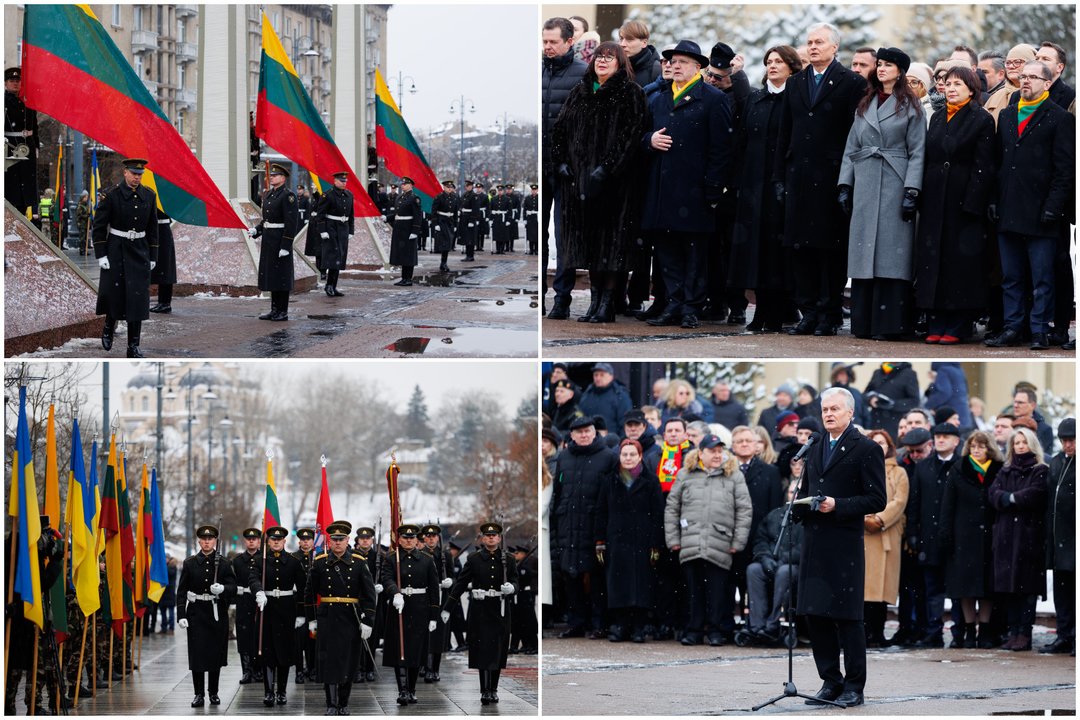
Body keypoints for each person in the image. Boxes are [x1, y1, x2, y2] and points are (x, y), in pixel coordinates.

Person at [795, 387, 886, 708]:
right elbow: (809, 488)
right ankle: (830, 681)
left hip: (845, 545)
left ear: (850, 412)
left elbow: (877, 499)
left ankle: (854, 686)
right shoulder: (816, 444)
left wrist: (839, 505)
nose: (828, 414)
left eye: (835, 409)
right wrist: (800, 507)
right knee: (816, 615)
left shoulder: (866, 448)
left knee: (848, 618)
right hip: (815, 542)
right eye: (825, 410)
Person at [775, 23, 865, 337]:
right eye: (809, 42)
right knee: (800, 249)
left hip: (831, 177)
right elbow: (784, 131)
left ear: (834, 48)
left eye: (819, 42)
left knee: (830, 249)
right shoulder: (796, 82)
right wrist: (779, 176)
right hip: (798, 175)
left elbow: (856, 135)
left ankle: (829, 313)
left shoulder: (851, 82)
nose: (813, 47)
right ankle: (809, 311)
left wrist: (848, 180)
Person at [551, 41, 647, 323]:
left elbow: (631, 136)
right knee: (590, 245)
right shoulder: (579, 92)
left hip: (615, 185)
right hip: (580, 183)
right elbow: (560, 130)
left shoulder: (631, 92)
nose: (602, 61)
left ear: (620, 63)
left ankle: (607, 304)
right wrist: (561, 162)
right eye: (598, 57)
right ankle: (594, 302)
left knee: (612, 245)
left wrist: (607, 168)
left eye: (609, 57)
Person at [641, 40, 733, 329]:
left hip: (695, 190)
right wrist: (649, 141)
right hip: (663, 190)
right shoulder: (659, 98)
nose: (675, 66)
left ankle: (691, 307)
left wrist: (713, 187)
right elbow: (640, 136)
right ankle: (673, 303)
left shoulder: (714, 98)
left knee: (695, 254)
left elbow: (722, 148)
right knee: (667, 253)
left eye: (682, 62)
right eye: (672, 61)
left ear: (698, 67)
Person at [838, 47, 926, 339]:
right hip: (865, 181)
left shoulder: (911, 106)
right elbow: (852, 147)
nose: (881, 69)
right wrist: (845, 184)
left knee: (892, 255)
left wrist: (911, 189)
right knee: (864, 255)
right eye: (880, 65)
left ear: (900, 71)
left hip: (895, 180)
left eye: (888, 65)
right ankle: (864, 323)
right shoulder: (865, 103)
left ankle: (889, 325)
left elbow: (917, 151)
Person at [986, 60, 1075, 350]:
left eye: (1033, 77)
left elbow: (1064, 170)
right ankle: (1013, 327)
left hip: (1041, 212)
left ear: (1047, 83)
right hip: (1009, 210)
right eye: (1023, 77)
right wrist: (995, 201)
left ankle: (1039, 329)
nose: (1025, 81)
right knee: (1011, 277)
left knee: (1042, 278)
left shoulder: (1060, 118)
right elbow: (999, 165)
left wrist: (1053, 206)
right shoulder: (1009, 115)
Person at [913, 66, 995, 343]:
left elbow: (984, 165)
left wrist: (973, 202)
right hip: (936, 197)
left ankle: (958, 323)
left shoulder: (981, 119)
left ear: (971, 89)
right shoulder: (936, 117)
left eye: (958, 84)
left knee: (959, 265)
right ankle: (936, 320)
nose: (950, 88)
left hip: (963, 201)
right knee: (932, 260)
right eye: (947, 83)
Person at [730, 45, 801, 333]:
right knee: (754, 251)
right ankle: (760, 310)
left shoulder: (795, 100)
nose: (772, 66)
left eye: (779, 62)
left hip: (780, 183)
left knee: (775, 251)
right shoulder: (756, 100)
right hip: (752, 184)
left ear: (792, 68)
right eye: (769, 62)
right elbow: (743, 140)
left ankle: (776, 312)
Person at [665, 433, 752, 646]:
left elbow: (744, 509)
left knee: (717, 592)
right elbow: (672, 508)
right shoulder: (685, 474)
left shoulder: (733, 475)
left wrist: (738, 542)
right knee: (693, 591)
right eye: (712, 450)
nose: (717, 454)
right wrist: (673, 539)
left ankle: (715, 631)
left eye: (719, 450)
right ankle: (693, 630)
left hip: (720, 542)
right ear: (700, 452)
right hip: (690, 541)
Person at [550, 416, 615, 638]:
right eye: (579, 432)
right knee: (571, 576)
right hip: (568, 523)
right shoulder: (564, 457)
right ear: (572, 435)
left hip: (593, 524)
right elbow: (558, 492)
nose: (584, 435)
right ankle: (576, 622)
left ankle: (598, 623)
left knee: (595, 577)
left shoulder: (607, 457)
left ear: (594, 432)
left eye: (588, 431)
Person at [596, 438, 664, 643]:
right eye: (624, 454)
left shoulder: (651, 480)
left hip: (642, 540)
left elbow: (658, 514)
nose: (628, 458)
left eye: (632, 454)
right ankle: (619, 625)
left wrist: (656, 543)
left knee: (641, 584)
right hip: (616, 539)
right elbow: (601, 512)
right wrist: (599, 541)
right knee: (618, 583)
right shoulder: (610, 480)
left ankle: (639, 627)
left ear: (640, 456)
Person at [441, 522, 518, 705]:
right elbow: (460, 584)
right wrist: (447, 607)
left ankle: (494, 689)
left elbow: (516, 582)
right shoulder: (474, 559)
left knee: (498, 650)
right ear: (483, 538)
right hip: (481, 610)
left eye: (494, 535)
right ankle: (485, 690)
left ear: (499, 538)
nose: (491, 538)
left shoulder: (509, 559)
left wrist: (512, 588)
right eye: (487, 535)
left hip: (499, 609)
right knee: (483, 651)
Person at [939, 430, 1002, 649]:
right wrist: (946, 535)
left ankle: (984, 630)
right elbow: (948, 505)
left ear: (989, 448)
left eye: (981, 446)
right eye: (974, 446)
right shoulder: (959, 468)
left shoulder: (997, 470)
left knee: (986, 587)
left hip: (990, 537)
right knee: (965, 586)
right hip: (963, 536)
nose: (977, 450)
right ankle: (967, 630)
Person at [306, 520, 376, 715]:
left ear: (347, 541)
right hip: (327, 617)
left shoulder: (359, 562)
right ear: (330, 541)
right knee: (328, 661)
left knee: (347, 661)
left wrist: (367, 621)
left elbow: (370, 595)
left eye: (341, 539)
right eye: (334, 539)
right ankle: (331, 704)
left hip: (349, 618)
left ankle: (343, 703)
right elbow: (309, 593)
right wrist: (312, 619)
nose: (337, 543)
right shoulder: (320, 562)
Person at [542, 17, 588, 319]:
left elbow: (586, 126)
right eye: (544, 41)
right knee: (539, 239)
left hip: (566, 170)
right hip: (540, 166)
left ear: (570, 42)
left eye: (553, 42)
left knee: (564, 235)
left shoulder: (583, 74)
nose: (547, 47)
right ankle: (541, 295)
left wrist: (571, 161)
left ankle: (562, 299)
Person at [989, 427, 1049, 651]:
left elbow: (1035, 494)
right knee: (1009, 588)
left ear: (1031, 444)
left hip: (1028, 537)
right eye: (1016, 443)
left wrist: (1010, 498)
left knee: (1026, 589)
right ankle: (1013, 631)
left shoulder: (1040, 470)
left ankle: (1024, 633)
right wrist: (1009, 499)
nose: (1020, 446)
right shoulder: (1005, 471)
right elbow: (993, 494)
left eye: (1024, 442)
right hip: (1006, 537)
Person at [93, 158, 159, 358]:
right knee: (115, 295)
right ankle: (108, 326)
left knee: (137, 301)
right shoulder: (111, 196)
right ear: (125, 173)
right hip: (116, 249)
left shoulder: (148, 195)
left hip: (139, 251)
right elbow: (98, 227)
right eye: (133, 174)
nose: (136, 178)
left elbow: (153, 228)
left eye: (139, 174)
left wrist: (153, 255)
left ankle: (133, 346)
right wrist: (101, 254)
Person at [177, 525, 236, 707]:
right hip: (196, 612)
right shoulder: (190, 563)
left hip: (216, 612)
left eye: (210, 539)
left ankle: (213, 692)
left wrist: (223, 589)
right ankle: (198, 694)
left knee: (214, 655)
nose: (207, 541)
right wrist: (181, 614)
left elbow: (233, 588)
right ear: (199, 541)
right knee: (197, 655)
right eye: (204, 539)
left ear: (215, 541)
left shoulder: (224, 563)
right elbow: (181, 591)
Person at [381, 523, 440, 705]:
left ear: (417, 540)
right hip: (399, 608)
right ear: (399, 539)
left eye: (412, 538)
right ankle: (402, 690)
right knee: (399, 650)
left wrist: (433, 616)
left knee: (415, 651)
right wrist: (395, 592)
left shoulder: (426, 559)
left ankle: (412, 689)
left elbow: (433, 589)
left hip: (419, 609)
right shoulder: (391, 558)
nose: (408, 541)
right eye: (405, 538)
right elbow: (386, 578)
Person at [248, 526, 306, 707]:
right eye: (273, 539)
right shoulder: (260, 560)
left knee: (285, 653)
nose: (276, 541)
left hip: (287, 611)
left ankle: (281, 691)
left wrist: (302, 614)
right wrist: (258, 591)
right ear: (268, 541)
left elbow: (304, 588)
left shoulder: (294, 561)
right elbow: (253, 579)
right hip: (268, 609)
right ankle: (268, 692)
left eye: (279, 539)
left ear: (284, 541)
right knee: (267, 653)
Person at [862, 430, 909, 647]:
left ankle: (877, 633)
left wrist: (879, 519)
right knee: (863, 589)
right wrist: (864, 517)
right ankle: (863, 634)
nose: (878, 446)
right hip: (862, 536)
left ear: (889, 446)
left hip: (885, 534)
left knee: (881, 591)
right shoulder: (861, 468)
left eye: (882, 442)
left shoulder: (898, 472)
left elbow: (899, 502)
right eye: (873, 442)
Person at [745, 480, 803, 644]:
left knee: (785, 571)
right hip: (771, 562)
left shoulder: (807, 519)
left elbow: (805, 547)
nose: (794, 496)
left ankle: (773, 623)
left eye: (798, 492)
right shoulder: (775, 515)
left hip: (796, 568)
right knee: (754, 570)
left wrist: (785, 558)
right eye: (792, 492)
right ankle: (757, 625)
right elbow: (760, 540)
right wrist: (764, 558)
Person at [247, 163, 299, 321]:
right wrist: (257, 230)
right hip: (269, 241)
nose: (272, 178)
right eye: (272, 175)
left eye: (275, 176)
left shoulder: (288, 196)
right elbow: (267, 220)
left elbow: (291, 223)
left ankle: (283, 311)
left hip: (280, 240)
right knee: (273, 276)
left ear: (283, 178)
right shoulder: (269, 194)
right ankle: (274, 309)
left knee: (282, 277)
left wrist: (286, 245)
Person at [1042, 418, 1075, 654]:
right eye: (1064, 441)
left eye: (1071, 440)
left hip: (1074, 538)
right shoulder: (1056, 463)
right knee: (1063, 591)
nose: (1067, 445)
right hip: (1058, 538)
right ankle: (1064, 635)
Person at [418, 524, 454, 682]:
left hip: (441, 596)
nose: (431, 539)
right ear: (424, 538)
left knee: (438, 635)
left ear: (438, 538)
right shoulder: (419, 555)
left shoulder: (445, 555)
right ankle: (425, 666)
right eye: (428, 536)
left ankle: (435, 669)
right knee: (425, 634)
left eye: (434, 536)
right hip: (425, 598)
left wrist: (450, 581)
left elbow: (455, 577)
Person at [313, 171, 354, 297]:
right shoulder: (328, 195)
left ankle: (333, 286)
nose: (344, 183)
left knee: (339, 259)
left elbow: (351, 214)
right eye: (341, 181)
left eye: (345, 181)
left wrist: (351, 230)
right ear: (335, 181)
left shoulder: (348, 195)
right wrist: (323, 230)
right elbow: (320, 215)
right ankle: (329, 285)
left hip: (343, 229)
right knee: (332, 259)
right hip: (331, 229)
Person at [4, 67, 39, 216]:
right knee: (12, 189)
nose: (15, 84)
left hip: (28, 146)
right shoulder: (4, 100)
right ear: (5, 83)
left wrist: (36, 146)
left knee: (27, 189)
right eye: (12, 81)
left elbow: (35, 126)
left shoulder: (28, 99)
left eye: (18, 81)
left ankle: (23, 211)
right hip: (11, 145)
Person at [232, 528, 264, 684]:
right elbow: (231, 581)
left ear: (259, 541)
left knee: (258, 635)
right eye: (248, 539)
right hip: (243, 601)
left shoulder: (264, 559)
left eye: (255, 539)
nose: (251, 541)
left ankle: (258, 670)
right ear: (245, 541)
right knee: (243, 637)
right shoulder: (237, 561)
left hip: (259, 602)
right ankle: (246, 671)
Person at [864, 362, 920, 440]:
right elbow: (865, 394)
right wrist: (870, 399)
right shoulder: (878, 373)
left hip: (895, 423)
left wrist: (893, 404)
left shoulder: (909, 374)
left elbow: (914, 401)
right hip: (875, 421)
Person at [384, 176, 422, 286]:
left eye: (405, 184)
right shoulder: (400, 197)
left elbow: (417, 216)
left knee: (409, 255)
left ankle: (408, 279)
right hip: (399, 229)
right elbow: (398, 214)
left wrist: (415, 231)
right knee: (402, 255)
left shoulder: (414, 198)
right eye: (402, 184)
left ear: (411, 185)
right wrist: (387, 218)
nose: (403, 185)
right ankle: (403, 278)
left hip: (408, 228)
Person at [291, 528, 317, 684]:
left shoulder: (319, 557)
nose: (306, 542)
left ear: (313, 541)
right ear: (299, 541)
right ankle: (299, 671)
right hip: (299, 607)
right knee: (298, 642)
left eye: (309, 539)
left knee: (313, 640)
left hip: (314, 608)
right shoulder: (294, 558)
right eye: (303, 539)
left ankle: (312, 669)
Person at [619, 20, 661, 87]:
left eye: (629, 39)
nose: (622, 44)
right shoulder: (615, 67)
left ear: (644, 43)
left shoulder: (657, 70)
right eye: (621, 39)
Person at [430, 179, 461, 272]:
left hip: (450, 222)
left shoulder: (454, 197)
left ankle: (444, 262)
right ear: (444, 187)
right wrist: (435, 224)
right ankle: (443, 263)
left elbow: (455, 212)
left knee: (448, 243)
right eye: (448, 187)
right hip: (442, 221)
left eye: (450, 187)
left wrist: (455, 224)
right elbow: (434, 211)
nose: (449, 189)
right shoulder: (439, 197)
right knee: (445, 243)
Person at [523, 183, 539, 255]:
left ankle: (536, 249)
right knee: (530, 235)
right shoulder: (527, 198)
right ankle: (531, 249)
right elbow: (524, 209)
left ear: (537, 190)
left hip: (537, 218)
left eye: (535, 190)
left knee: (537, 235)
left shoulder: (539, 198)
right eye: (533, 190)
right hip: (529, 218)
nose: (534, 191)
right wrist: (524, 219)